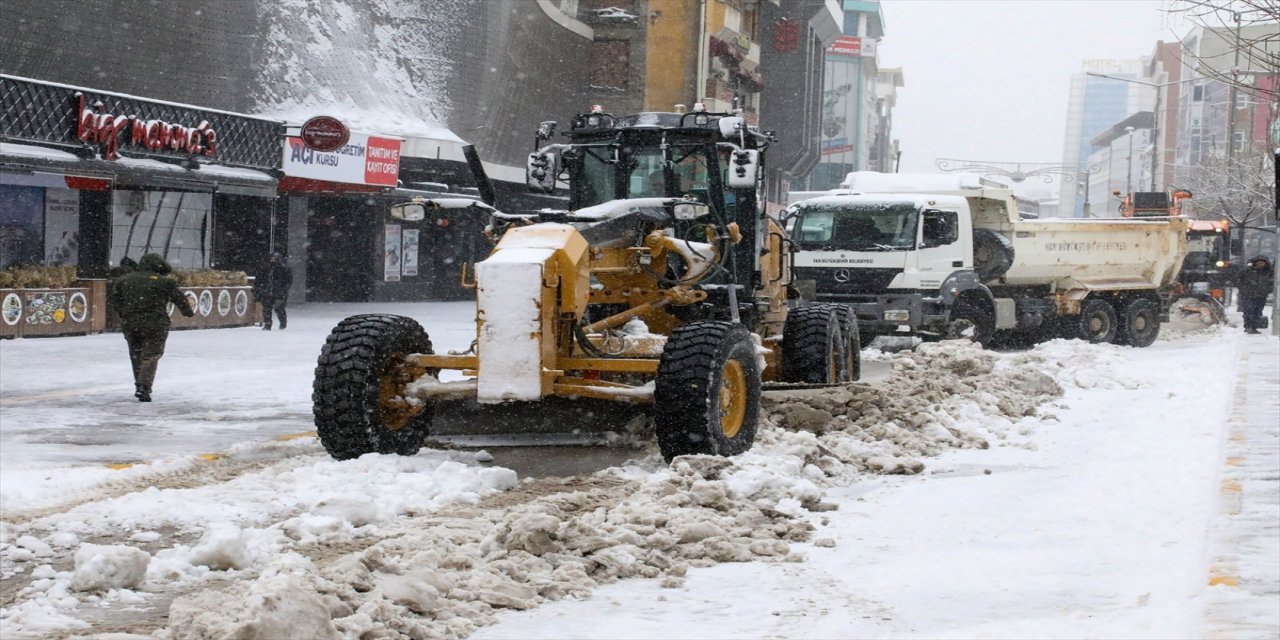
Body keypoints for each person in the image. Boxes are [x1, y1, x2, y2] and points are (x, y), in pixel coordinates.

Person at [108, 253, 193, 402]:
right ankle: (144, 386)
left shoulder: (124, 280)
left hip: (131, 323)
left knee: (136, 354)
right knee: (151, 355)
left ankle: (139, 383)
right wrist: (188, 312)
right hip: (156, 323)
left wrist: (124, 313)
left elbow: (114, 300)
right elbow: (180, 299)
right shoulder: (164, 282)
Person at [253, 252, 293, 330]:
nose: (273, 260)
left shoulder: (284, 268)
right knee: (266, 308)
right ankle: (268, 324)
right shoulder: (265, 268)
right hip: (267, 291)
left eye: (275, 258)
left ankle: (283, 322)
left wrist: (283, 289)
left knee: (279, 308)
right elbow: (259, 279)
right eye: (272, 258)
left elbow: (288, 281)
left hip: (279, 292)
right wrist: (259, 288)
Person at [1237, 255, 1274, 334]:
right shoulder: (1247, 271)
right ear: (1255, 262)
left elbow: (1272, 283)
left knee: (1258, 311)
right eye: (1259, 262)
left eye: (1262, 263)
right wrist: (1244, 289)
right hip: (1249, 295)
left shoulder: (1268, 272)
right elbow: (1239, 280)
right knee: (1249, 310)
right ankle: (1249, 326)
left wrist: (1267, 290)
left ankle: (1253, 326)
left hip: (1261, 295)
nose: (1260, 264)